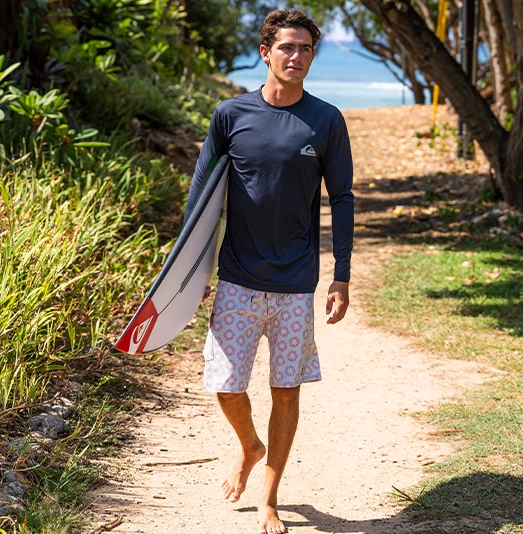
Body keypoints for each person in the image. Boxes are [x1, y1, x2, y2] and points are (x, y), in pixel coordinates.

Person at [185, 8, 353, 534]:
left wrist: (341, 274)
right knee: (226, 383)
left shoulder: (326, 120)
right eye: (287, 47)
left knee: (287, 389)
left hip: (294, 281)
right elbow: (201, 193)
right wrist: (187, 272)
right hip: (237, 274)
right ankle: (248, 445)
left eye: (305, 49)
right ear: (266, 52)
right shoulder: (231, 115)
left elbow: (342, 198)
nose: (296, 56)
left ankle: (270, 498)